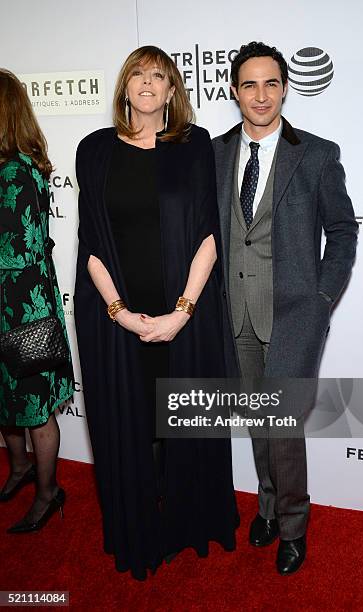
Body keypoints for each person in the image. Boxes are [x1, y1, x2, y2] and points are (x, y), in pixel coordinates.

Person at [74, 45, 237, 581]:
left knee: (183, 424)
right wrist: (121, 313)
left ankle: (188, 522)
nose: (147, 83)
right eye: (138, 75)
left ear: (173, 91)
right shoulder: (93, 150)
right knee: (132, 425)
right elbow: (91, 244)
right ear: (125, 88)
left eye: (159, 76)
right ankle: (139, 528)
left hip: (184, 319)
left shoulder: (194, 146)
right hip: (115, 323)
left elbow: (209, 237)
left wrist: (181, 312)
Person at [212, 42, 358, 574]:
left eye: (271, 83)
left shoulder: (317, 154)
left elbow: (342, 231)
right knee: (257, 420)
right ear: (234, 91)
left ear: (285, 87)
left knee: (283, 426)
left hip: (295, 314)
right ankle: (267, 506)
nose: (261, 95)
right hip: (236, 315)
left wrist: (322, 298)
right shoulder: (216, 152)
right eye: (249, 84)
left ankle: (293, 524)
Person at [0, 69, 74, 532]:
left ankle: (48, 492)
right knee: (7, 402)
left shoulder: (16, 172)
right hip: (10, 304)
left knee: (33, 406)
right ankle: (21, 468)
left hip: (22, 311)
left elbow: (19, 252)